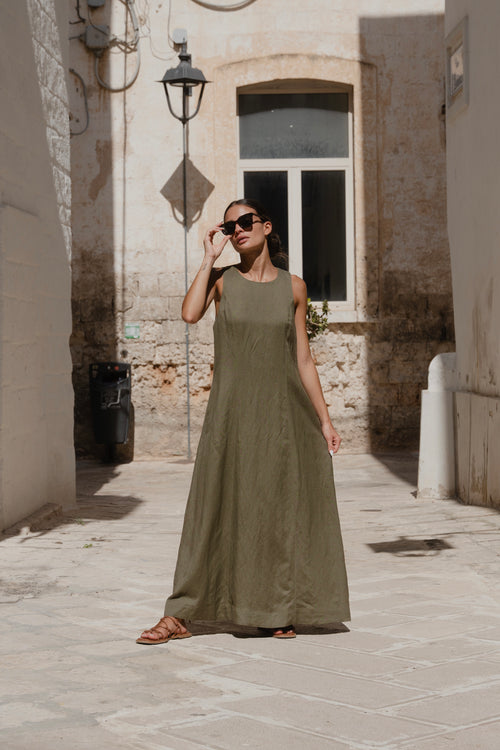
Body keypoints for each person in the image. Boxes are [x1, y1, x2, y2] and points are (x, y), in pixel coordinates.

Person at [136, 199, 350, 643]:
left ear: (266, 227)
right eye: (230, 225)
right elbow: (189, 314)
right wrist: (208, 259)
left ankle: (276, 608)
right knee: (212, 508)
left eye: (246, 221)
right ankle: (181, 614)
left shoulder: (294, 287)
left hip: (283, 417)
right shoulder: (221, 282)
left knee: (275, 510)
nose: (238, 230)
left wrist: (326, 421)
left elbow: (304, 359)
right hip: (231, 416)